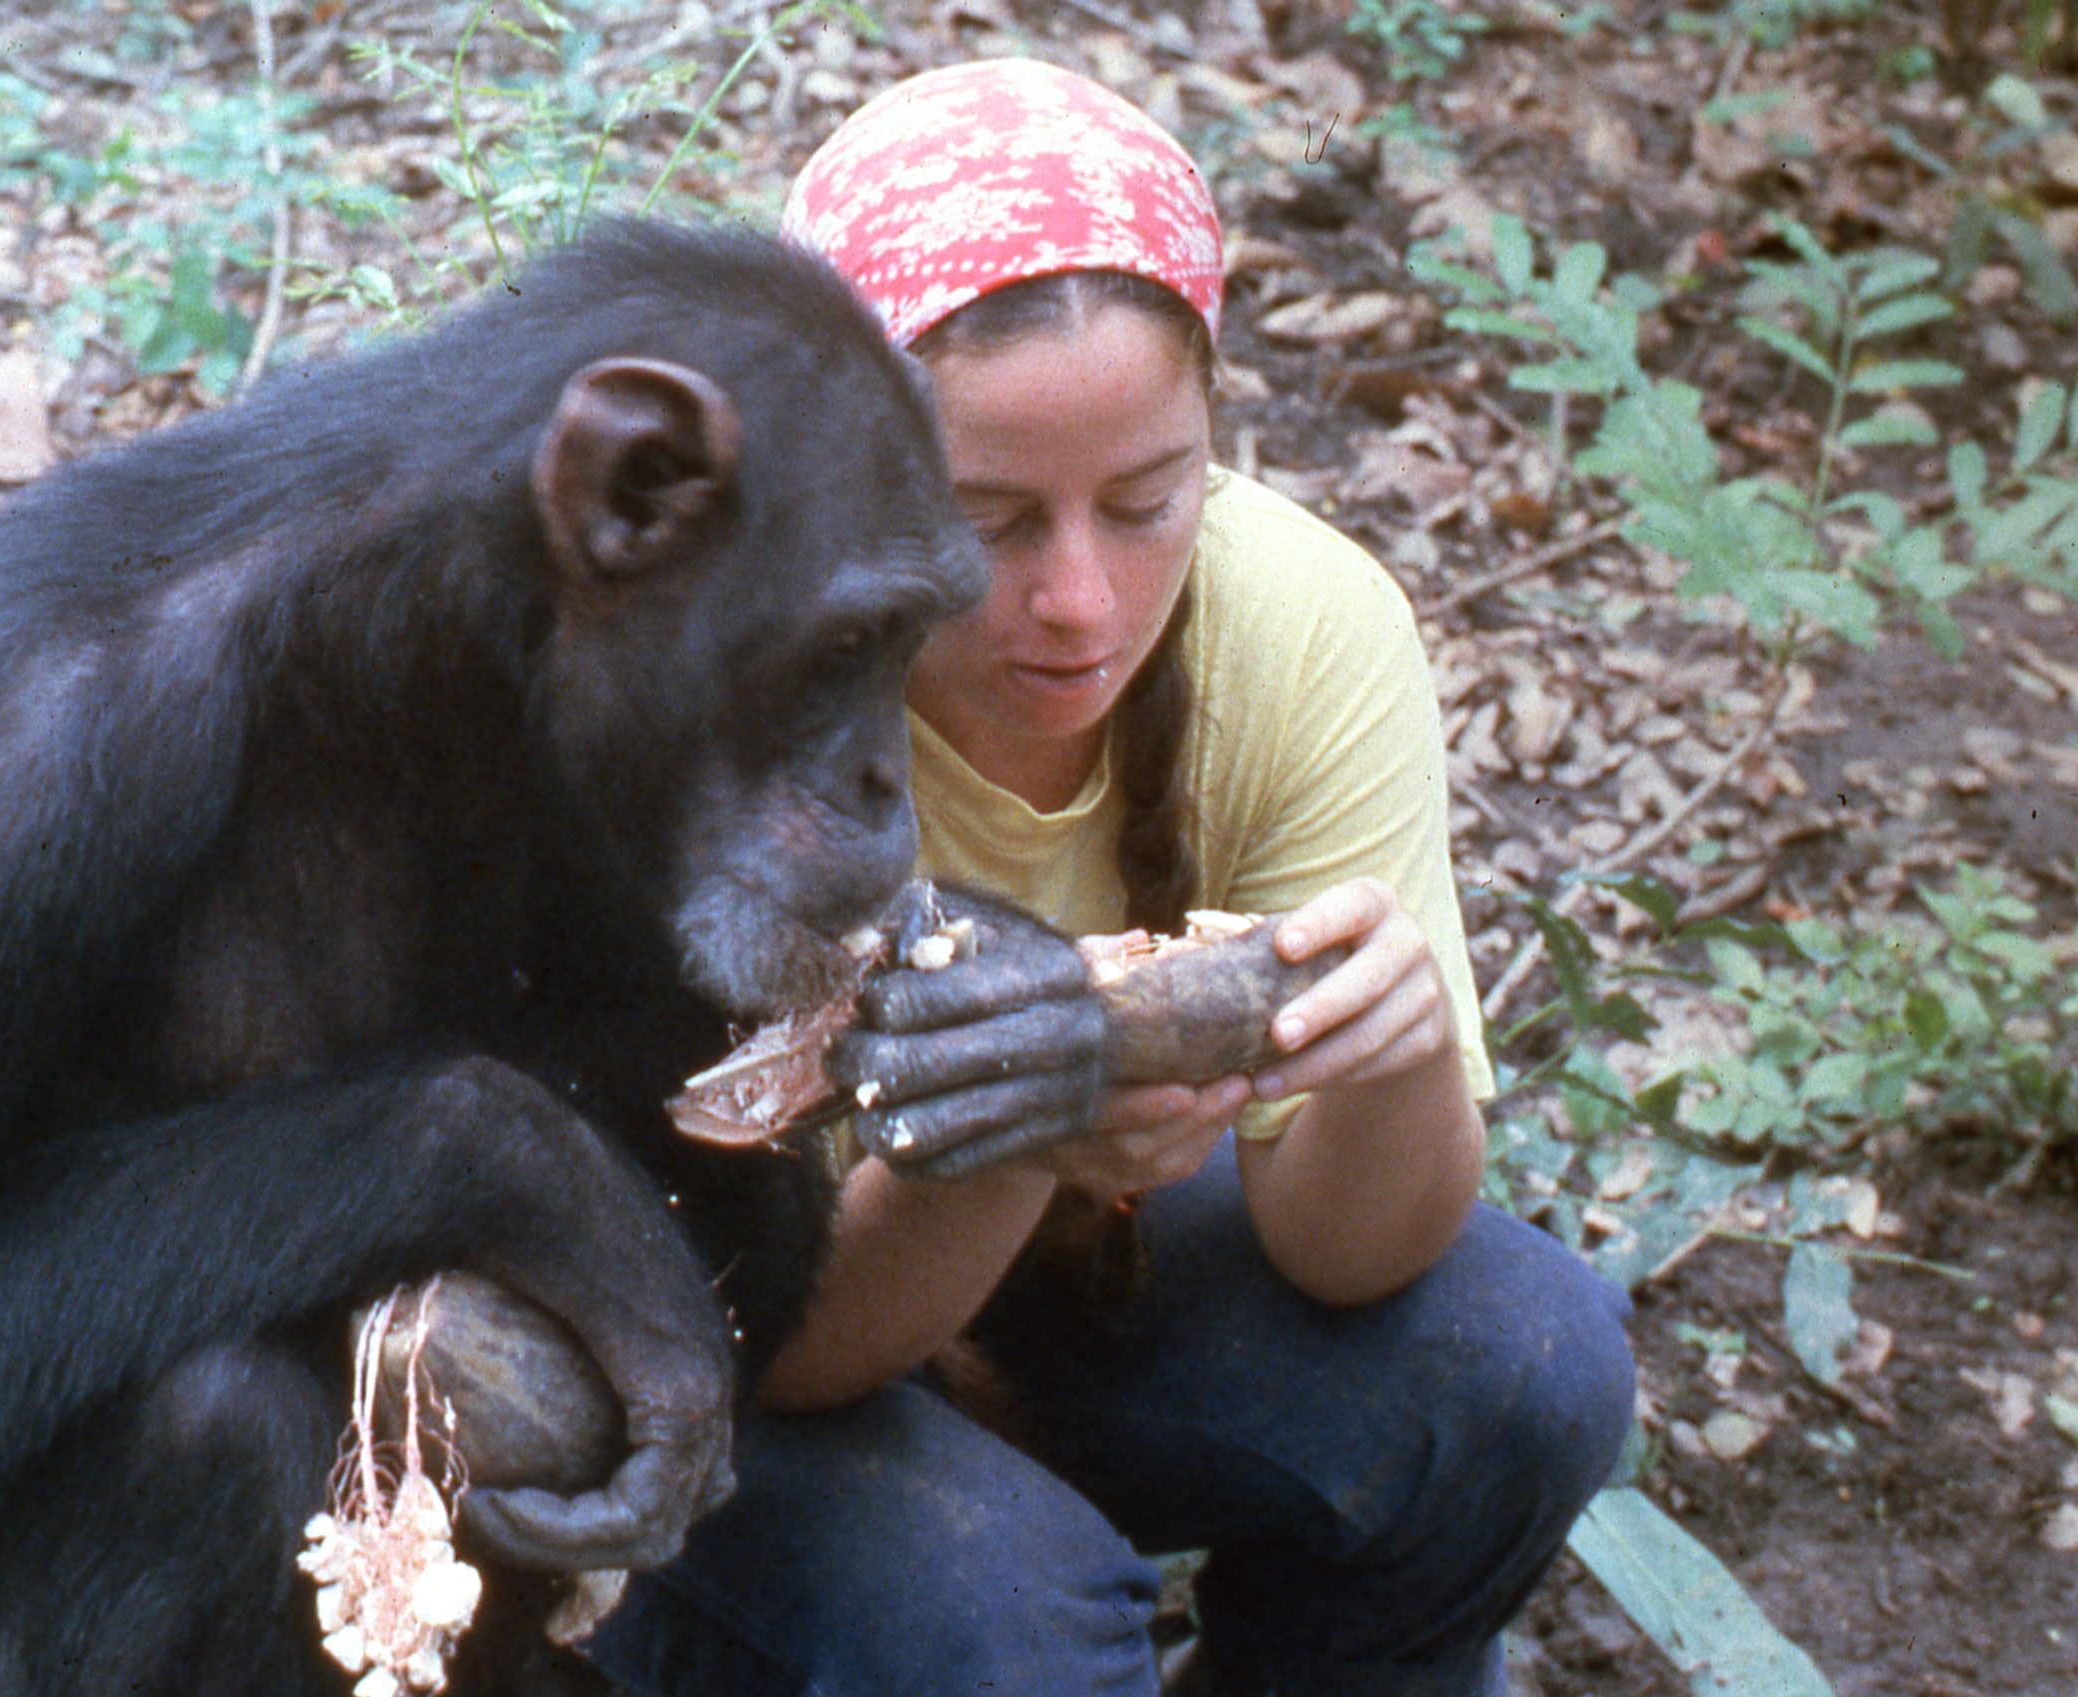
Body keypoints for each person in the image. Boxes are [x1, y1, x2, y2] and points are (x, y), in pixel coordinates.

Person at [581, 59, 1637, 1697]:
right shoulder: (704, 704)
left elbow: (1352, 1258)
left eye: (1148, 502)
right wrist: (1024, 1129)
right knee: (1002, 1625)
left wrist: (1397, 1047)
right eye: (987, 521)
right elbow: (751, 1353)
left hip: (1053, 1302)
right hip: (715, 1386)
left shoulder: (1296, 627)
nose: (1080, 599)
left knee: (1530, 1360)